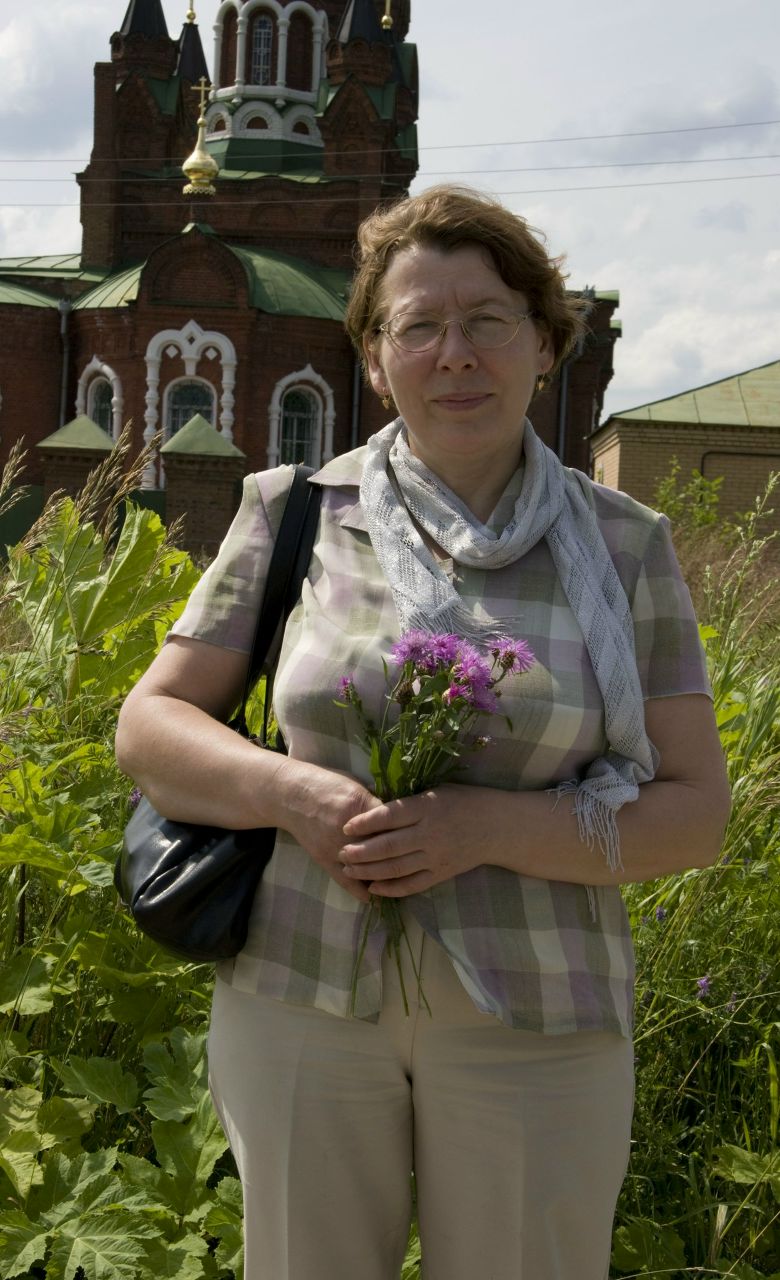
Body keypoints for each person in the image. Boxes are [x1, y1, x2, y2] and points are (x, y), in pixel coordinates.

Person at [115, 185, 731, 1280]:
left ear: (544, 343)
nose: (458, 353)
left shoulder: (627, 546)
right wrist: (288, 793)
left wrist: (479, 825)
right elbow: (151, 726)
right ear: (374, 354)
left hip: (540, 1013)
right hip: (300, 993)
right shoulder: (293, 510)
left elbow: (692, 811)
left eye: (490, 320)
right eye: (421, 325)